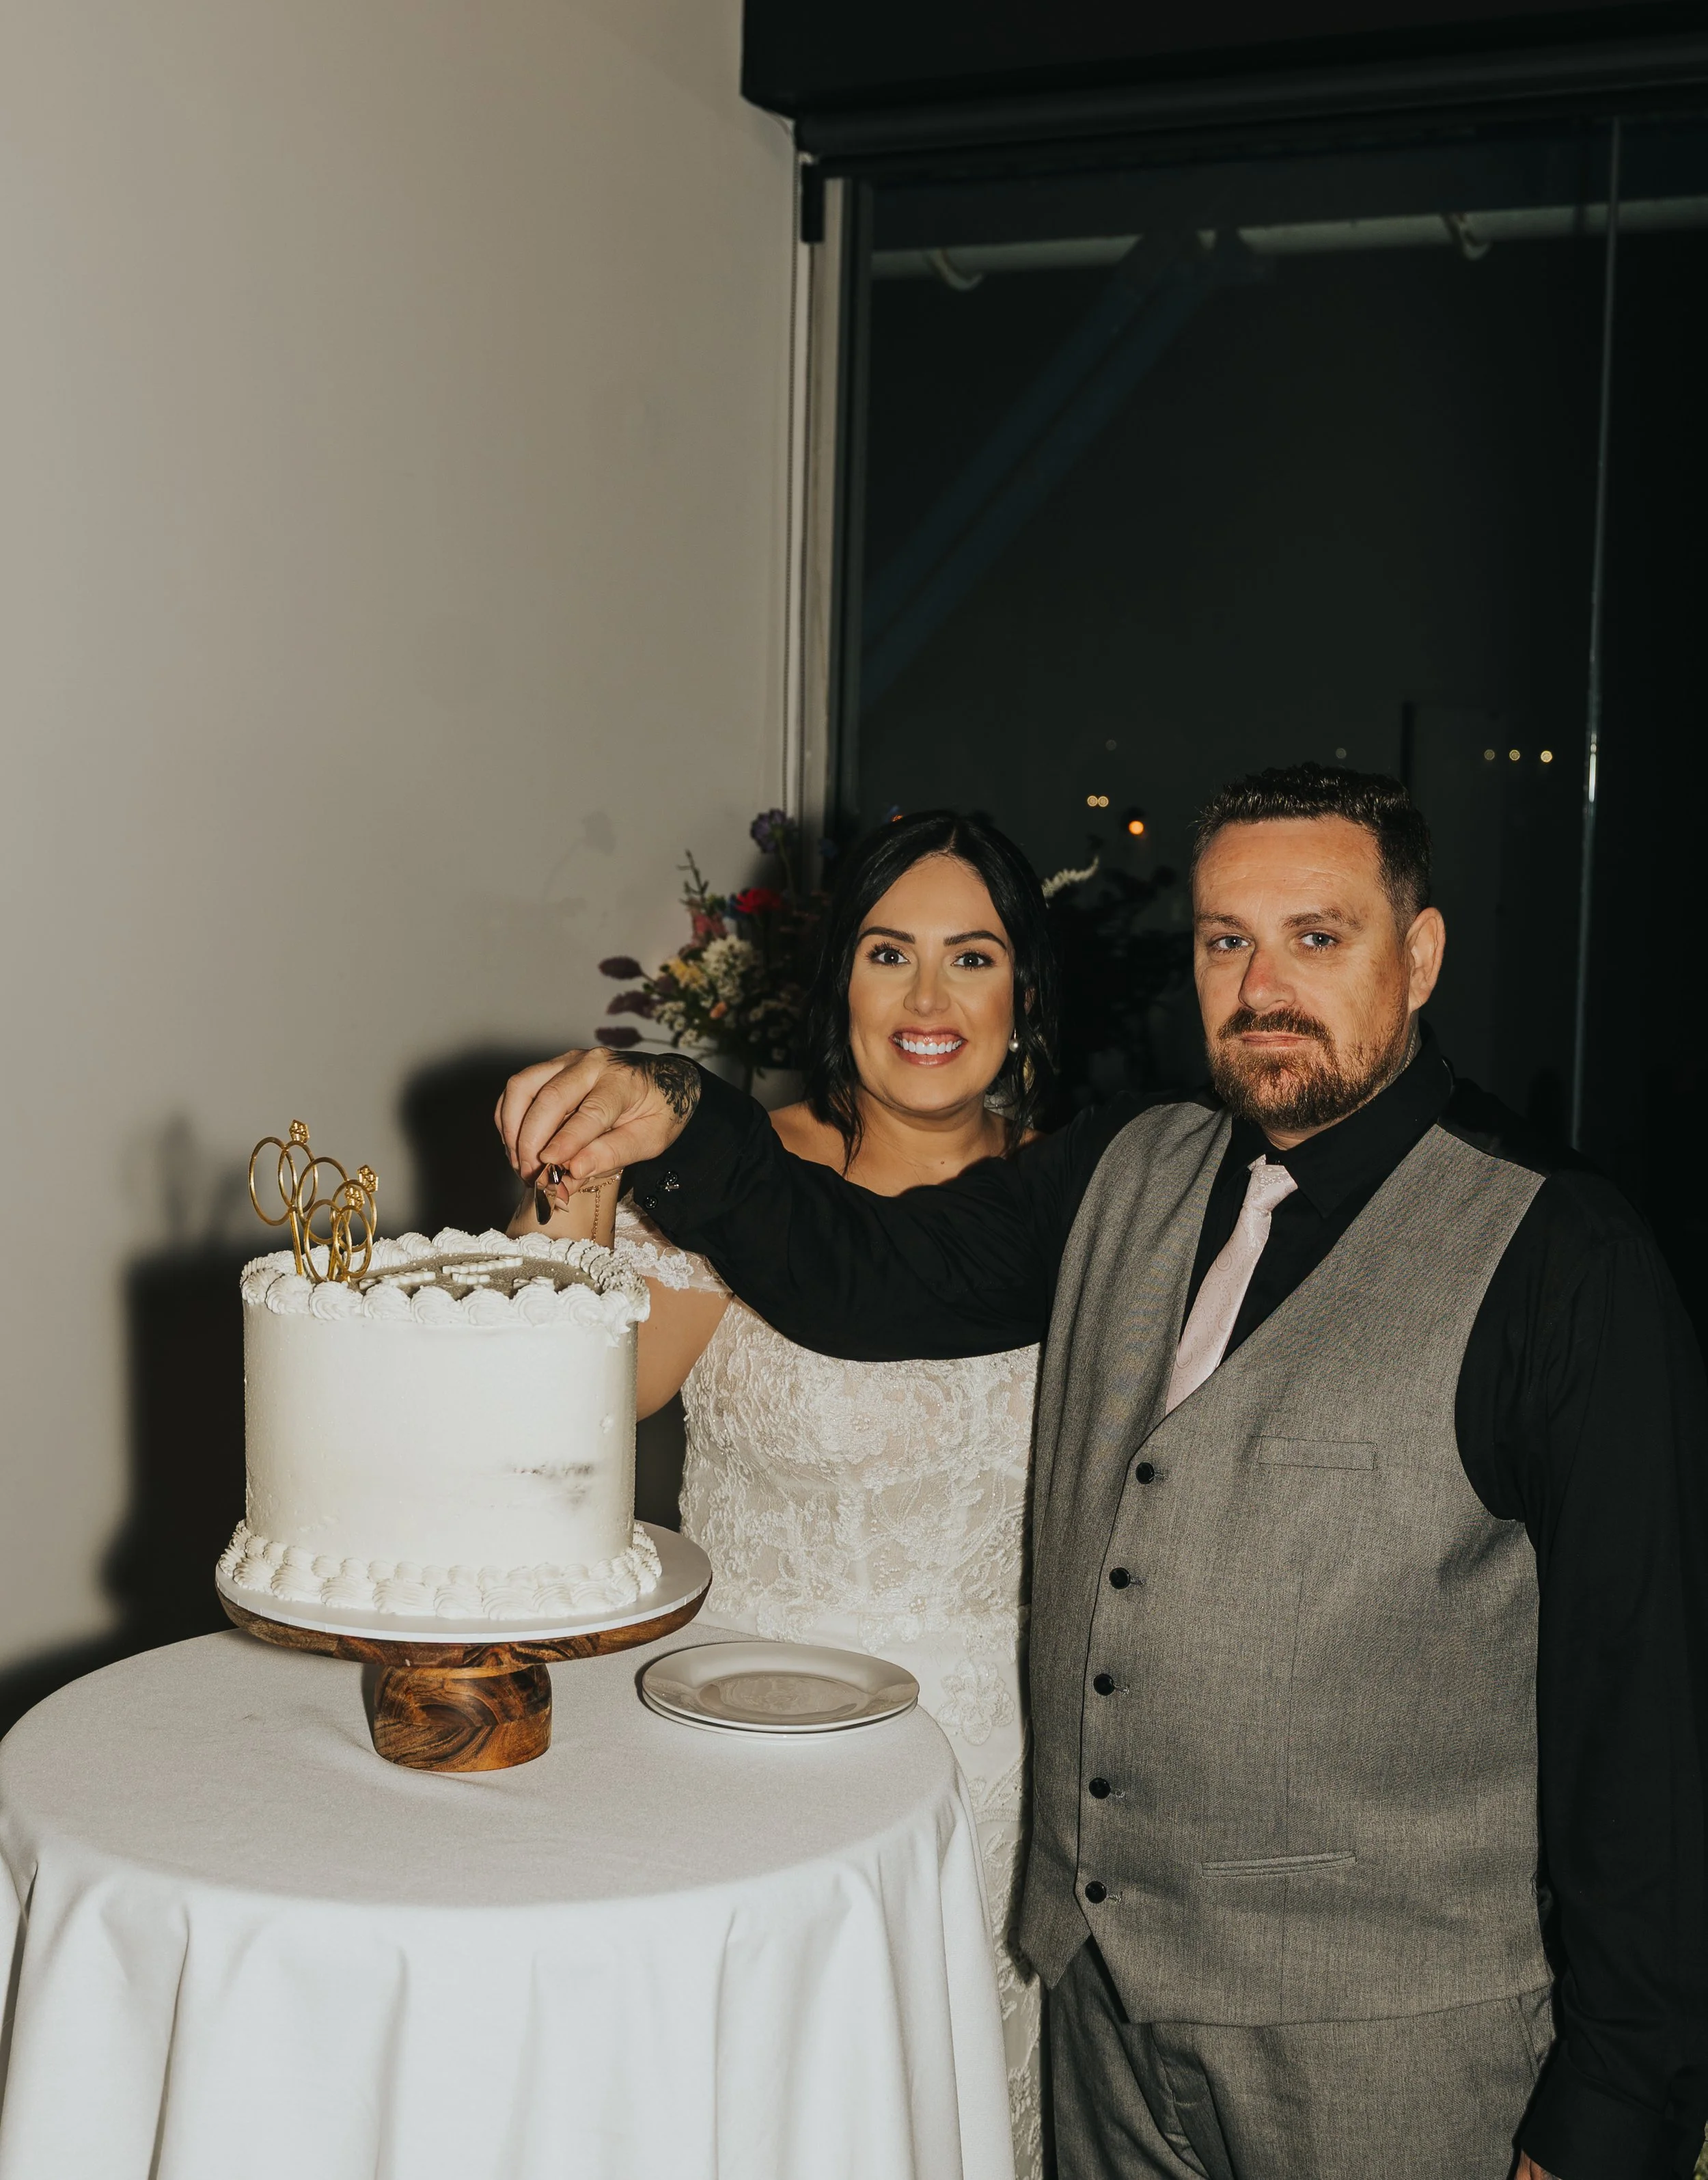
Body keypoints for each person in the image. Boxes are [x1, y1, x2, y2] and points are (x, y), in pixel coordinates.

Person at [498, 763, 1708, 2180]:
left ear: (1418, 953)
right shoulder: (1126, 1169)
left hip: (1387, 2062)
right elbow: (867, 1274)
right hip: (1101, 2042)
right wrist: (680, 1118)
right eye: (1222, 941)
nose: (1261, 986)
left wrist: (1614, 2113)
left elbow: (1644, 1714)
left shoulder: (1562, 1257)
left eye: (1315, 937)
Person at [510, 810, 1058, 2180]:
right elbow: (571, 1406)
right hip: (726, 1735)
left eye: (971, 958)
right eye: (888, 955)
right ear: (840, 989)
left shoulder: (1080, 1197)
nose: (928, 1001)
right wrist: (570, 1202)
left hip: (979, 1770)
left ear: (1023, 994)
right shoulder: (737, 1176)